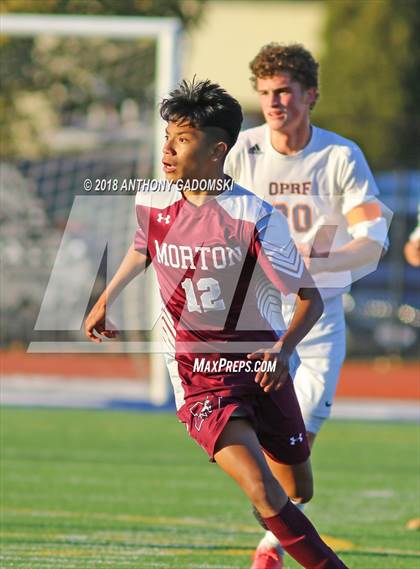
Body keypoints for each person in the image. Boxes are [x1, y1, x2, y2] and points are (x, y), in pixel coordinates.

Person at [85, 78, 348, 568]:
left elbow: (309, 298)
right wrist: (106, 297)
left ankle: (276, 516)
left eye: (182, 139)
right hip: (198, 376)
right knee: (264, 489)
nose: (167, 149)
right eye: (167, 136)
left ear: (217, 150)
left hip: (260, 367)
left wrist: (284, 349)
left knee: (296, 488)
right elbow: (143, 247)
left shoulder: (255, 217)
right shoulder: (151, 201)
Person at [225, 43, 388, 569]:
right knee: (261, 447)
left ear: (310, 95)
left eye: (285, 91)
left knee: (299, 455)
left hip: (318, 320)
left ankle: (272, 539)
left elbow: (372, 237)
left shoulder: (341, 156)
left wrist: (322, 262)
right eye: (266, 92)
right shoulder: (239, 151)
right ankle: (276, 544)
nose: (274, 102)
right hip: (254, 316)